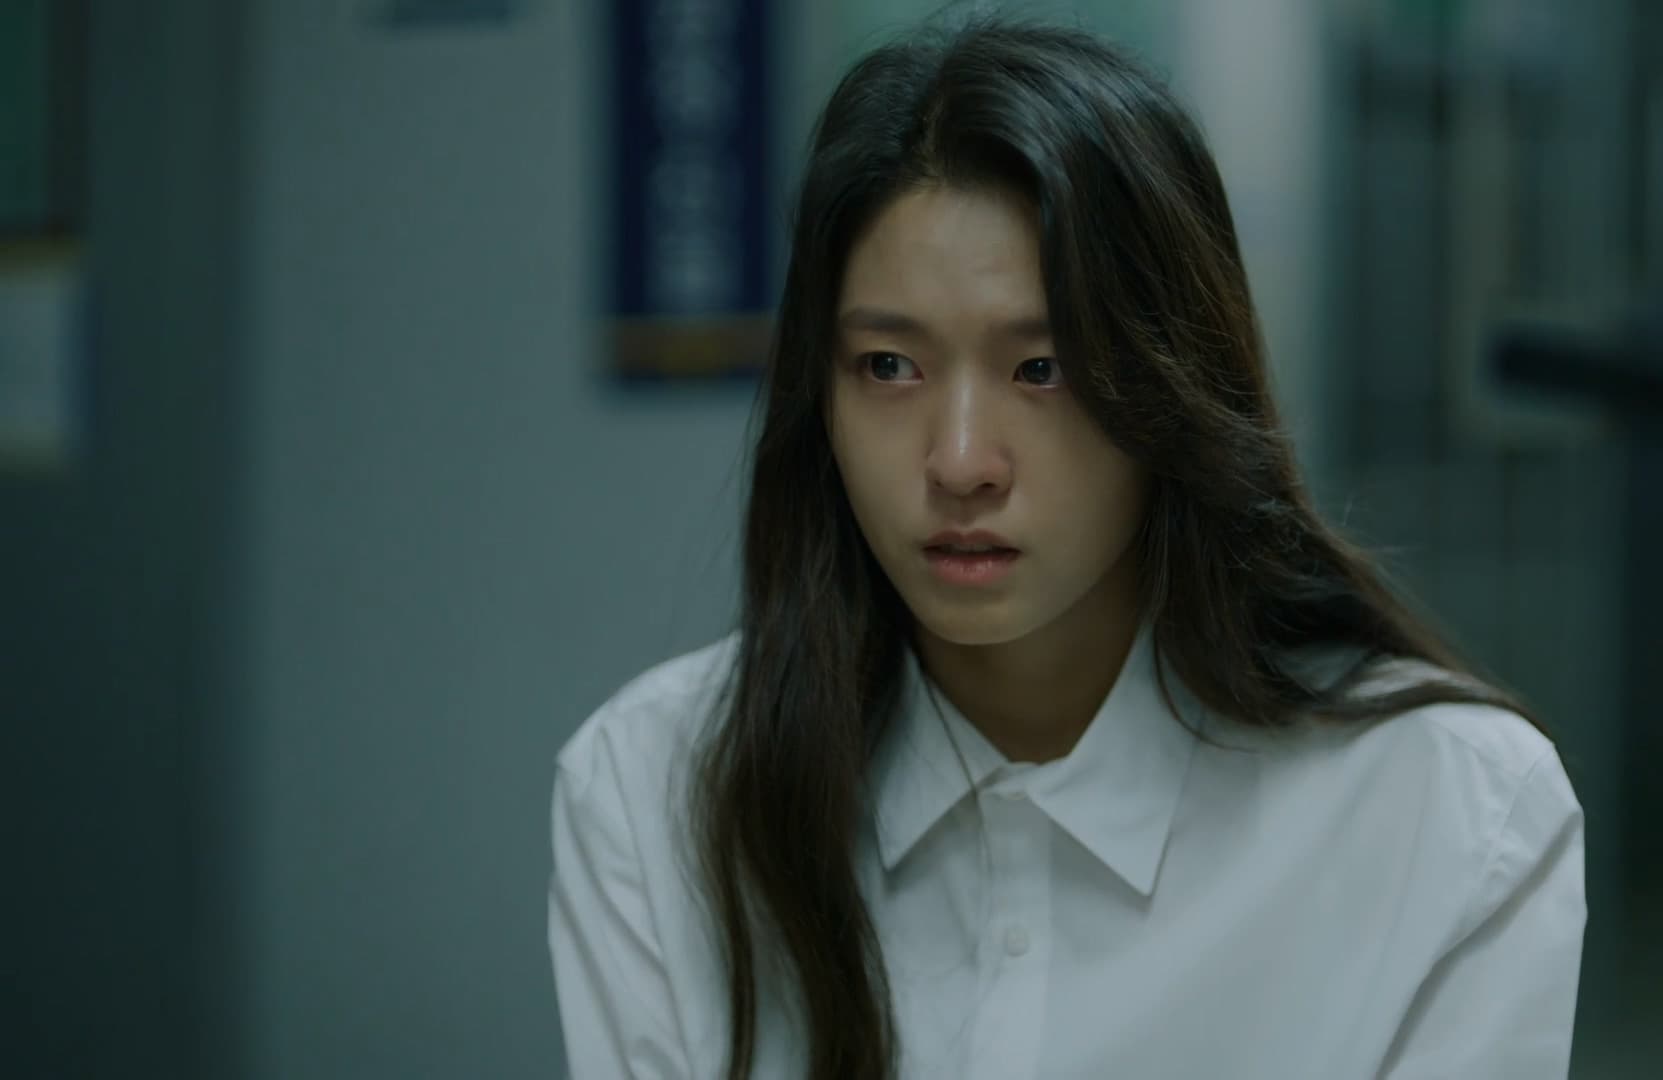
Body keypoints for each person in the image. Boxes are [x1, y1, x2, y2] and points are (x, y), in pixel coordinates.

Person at [548, 16, 1584, 1080]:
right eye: (890, 366)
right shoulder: (656, 788)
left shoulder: (1447, 812)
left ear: (1171, 386)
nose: (960, 462)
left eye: (1041, 369)